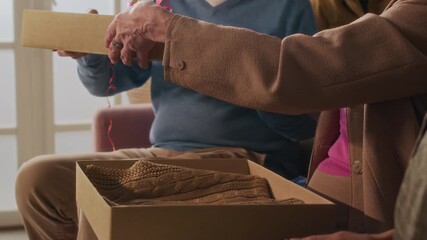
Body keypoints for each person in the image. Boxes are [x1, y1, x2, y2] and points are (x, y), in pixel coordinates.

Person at [103, 0, 427, 239]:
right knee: (64, 186)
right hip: (312, 189)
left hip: (267, 170)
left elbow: (299, 74)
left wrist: (173, 32)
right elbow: (110, 73)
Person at [15, 0, 318, 239]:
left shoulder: (289, 8)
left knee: (109, 206)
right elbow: (108, 81)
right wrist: (91, 53)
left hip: (246, 157)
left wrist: (256, 84)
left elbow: (303, 124)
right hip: (163, 154)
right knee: (37, 181)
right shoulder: (161, 7)